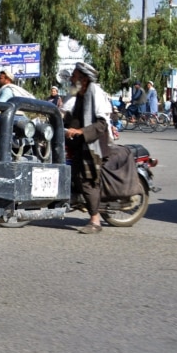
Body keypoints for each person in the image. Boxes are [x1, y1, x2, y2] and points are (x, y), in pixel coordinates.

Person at [63, 62, 112, 234]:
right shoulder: (78, 93)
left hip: (93, 145)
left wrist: (80, 131)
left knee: (87, 179)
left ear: (84, 78)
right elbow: (69, 114)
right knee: (75, 175)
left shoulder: (94, 92)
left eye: (75, 76)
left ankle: (95, 221)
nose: (71, 78)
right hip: (78, 143)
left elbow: (101, 123)